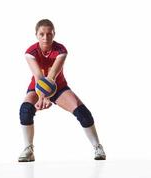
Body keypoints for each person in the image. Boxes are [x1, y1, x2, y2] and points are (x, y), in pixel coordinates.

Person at [18, 19, 106, 162]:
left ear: (54, 34)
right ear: (36, 35)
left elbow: (52, 75)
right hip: (37, 87)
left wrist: (47, 95)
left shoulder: (61, 50)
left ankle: (97, 147)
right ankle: (28, 149)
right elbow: (39, 77)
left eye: (49, 34)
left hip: (58, 87)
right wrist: (41, 97)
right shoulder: (30, 52)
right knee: (25, 110)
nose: (45, 37)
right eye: (42, 34)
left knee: (82, 112)